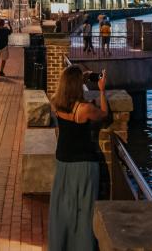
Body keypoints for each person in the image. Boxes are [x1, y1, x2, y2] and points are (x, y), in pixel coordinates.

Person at [48, 65, 109, 251]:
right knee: (84, 211)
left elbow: (71, 84)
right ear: (77, 85)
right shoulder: (85, 109)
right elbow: (105, 115)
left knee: (63, 209)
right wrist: (102, 90)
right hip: (83, 165)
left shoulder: (55, 102)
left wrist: (83, 76)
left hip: (63, 162)